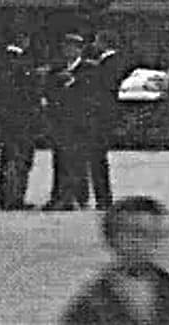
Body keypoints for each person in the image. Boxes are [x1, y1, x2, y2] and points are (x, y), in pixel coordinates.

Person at [59, 195, 169, 325]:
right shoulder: (92, 302)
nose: (146, 243)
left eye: (155, 235)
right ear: (112, 240)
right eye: (136, 234)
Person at [44, 33, 97, 211]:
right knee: (60, 160)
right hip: (60, 122)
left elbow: (92, 94)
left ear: (79, 49)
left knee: (79, 160)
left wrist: (73, 81)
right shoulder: (56, 70)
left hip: (80, 122)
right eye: (65, 47)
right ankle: (60, 196)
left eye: (72, 47)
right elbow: (49, 92)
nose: (67, 50)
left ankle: (79, 197)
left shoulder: (89, 69)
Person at [0, 30, 41, 210]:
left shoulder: (3, 61)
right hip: (21, 119)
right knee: (19, 158)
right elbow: (24, 92)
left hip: (9, 119)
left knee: (10, 157)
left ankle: (8, 197)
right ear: (23, 39)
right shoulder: (18, 63)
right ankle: (14, 198)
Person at [85, 32, 127, 210]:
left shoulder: (108, 65)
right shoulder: (112, 62)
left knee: (97, 158)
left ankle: (103, 198)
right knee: (98, 158)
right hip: (106, 115)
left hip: (100, 116)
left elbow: (103, 88)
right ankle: (103, 197)